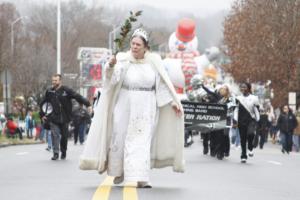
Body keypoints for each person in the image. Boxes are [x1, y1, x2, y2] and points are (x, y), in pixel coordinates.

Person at [79, 28, 185, 188]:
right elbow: (112, 80)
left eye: (138, 44)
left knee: (142, 141)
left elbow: (161, 85)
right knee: (121, 139)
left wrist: (173, 102)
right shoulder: (123, 59)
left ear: (145, 47)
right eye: (133, 43)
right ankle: (118, 171)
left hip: (146, 106)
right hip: (124, 104)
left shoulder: (154, 62)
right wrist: (110, 67)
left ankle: (142, 177)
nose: (134, 47)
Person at [40, 74, 92, 161]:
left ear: (60, 81)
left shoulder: (66, 90)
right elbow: (44, 103)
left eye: (55, 80)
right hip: (54, 117)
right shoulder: (49, 91)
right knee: (55, 135)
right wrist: (42, 114)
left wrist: (88, 104)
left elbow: (77, 96)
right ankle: (56, 153)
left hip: (65, 118)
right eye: (53, 80)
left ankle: (63, 151)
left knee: (64, 137)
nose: (54, 82)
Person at [233, 82, 260, 163]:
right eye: (241, 87)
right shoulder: (238, 98)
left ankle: (250, 148)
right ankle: (243, 155)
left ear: (248, 88)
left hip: (251, 120)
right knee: (243, 139)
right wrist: (235, 120)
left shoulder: (254, 98)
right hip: (241, 121)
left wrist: (258, 120)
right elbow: (236, 110)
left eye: (244, 87)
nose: (242, 88)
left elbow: (256, 110)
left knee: (251, 134)